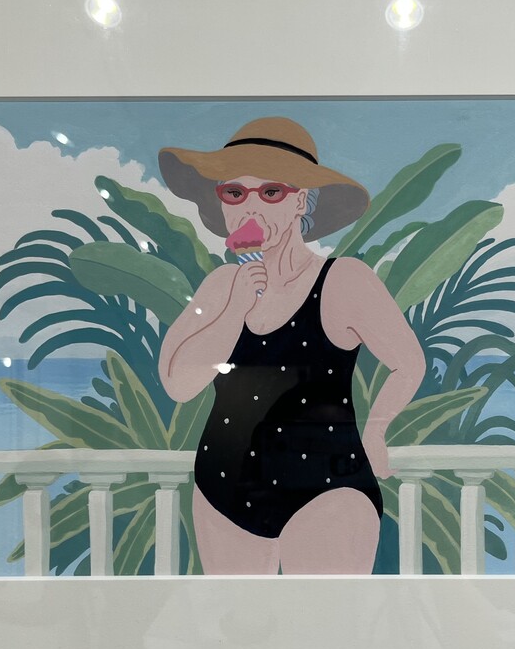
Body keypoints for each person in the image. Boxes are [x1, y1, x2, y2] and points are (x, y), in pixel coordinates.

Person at [158, 117, 425, 574]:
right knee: (239, 618)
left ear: (301, 199)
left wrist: (376, 431)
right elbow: (177, 383)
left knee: (326, 616)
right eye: (234, 193)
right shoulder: (221, 286)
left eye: (271, 192)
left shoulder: (343, 279)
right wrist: (234, 309)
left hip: (328, 490)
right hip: (223, 489)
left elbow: (408, 363)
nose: (250, 207)